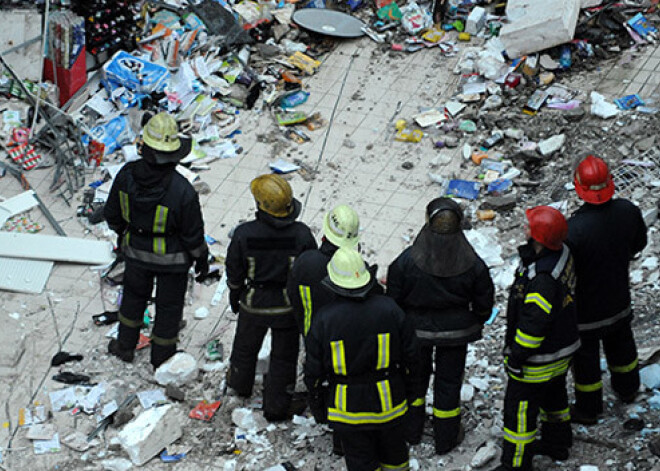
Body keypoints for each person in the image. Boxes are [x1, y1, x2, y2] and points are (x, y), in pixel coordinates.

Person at [386, 197, 494, 455]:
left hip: (416, 334)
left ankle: (411, 431)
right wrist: (476, 320)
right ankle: (445, 437)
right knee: (448, 385)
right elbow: (483, 301)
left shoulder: (407, 261)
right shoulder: (472, 263)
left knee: (415, 382)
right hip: (456, 335)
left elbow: (393, 299)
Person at [104, 112, 209, 368]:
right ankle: (162, 357)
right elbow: (192, 233)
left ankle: (125, 346)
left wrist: (124, 235)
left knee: (132, 299)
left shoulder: (126, 175)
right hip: (172, 262)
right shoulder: (181, 190)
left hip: (136, 255)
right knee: (169, 308)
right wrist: (201, 259)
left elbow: (112, 215)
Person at [305, 248, 418, 471]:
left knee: (361, 463)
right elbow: (413, 358)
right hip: (390, 405)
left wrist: (318, 406)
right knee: (396, 459)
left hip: (348, 411)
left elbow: (313, 372)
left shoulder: (324, 320)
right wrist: (411, 393)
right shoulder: (390, 310)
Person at [494, 206, 581, 471]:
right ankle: (558, 442)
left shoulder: (541, 279)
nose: (524, 231)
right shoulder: (562, 253)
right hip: (562, 348)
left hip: (537, 359)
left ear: (540, 239)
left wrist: (516, 356)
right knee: (555, 398)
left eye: (529, 229)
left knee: (519, 413)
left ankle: (517, 464)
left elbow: (533, 326)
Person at [225, 174, 317, 421]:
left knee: (244, 348)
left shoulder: (244, 234)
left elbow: (234, 271)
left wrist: (235, 293)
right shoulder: (301, 234)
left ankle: (239, 386)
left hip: (254, 303)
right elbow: (312, 268)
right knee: (283, 358)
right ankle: (276, 406)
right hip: (288, 308)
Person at [567, 155, 648, 424]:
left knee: (586, 362)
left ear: (579, 186)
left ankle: (589, 408)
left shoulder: (573, 230)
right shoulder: (628, 211)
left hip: (586, 311)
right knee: (623, 348)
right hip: (619, 300)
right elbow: (638, 244)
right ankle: (628, 390)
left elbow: (567, 272)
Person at [287, 204, 361, 337]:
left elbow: (293, 295)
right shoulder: (356, 269)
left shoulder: (305, 262)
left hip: (312, 333)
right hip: (346, 337)